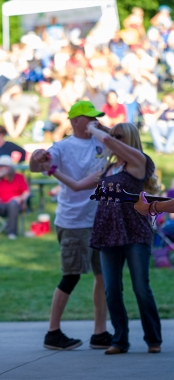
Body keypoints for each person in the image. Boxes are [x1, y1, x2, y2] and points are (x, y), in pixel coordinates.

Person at [47, 122, 162, 354]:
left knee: (141, 287)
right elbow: (78, 185)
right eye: (113, 136)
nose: (112, 139)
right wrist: (53, 170)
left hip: (134, 232)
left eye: (119, 136)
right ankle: (120, 340)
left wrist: (94, 129)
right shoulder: (108, 169)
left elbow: (108, 142)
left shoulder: (139, 162)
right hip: (108, 232)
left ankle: (153, 338)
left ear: (128, 138)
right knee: (111, 288)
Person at [29, 100, 111, 351]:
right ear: (75, 121)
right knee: (72, 275)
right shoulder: (63, 147)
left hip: (100, 217)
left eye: (96, 117)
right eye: (89, 118)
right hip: (74, 220)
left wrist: (100, 129)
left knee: (103, 275)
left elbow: (120, 141)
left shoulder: (102, 140)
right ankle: (52, 332)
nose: (94, 121)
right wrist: (36, 157)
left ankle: (100, 332)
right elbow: (36, 167)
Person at [0, 155, 30, 240]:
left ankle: (11, 233)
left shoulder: (19, 177)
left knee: (13, 203)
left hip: (14, 206)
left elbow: (26, 192)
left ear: (9, 168)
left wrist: (20, 198)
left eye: (1, 166)